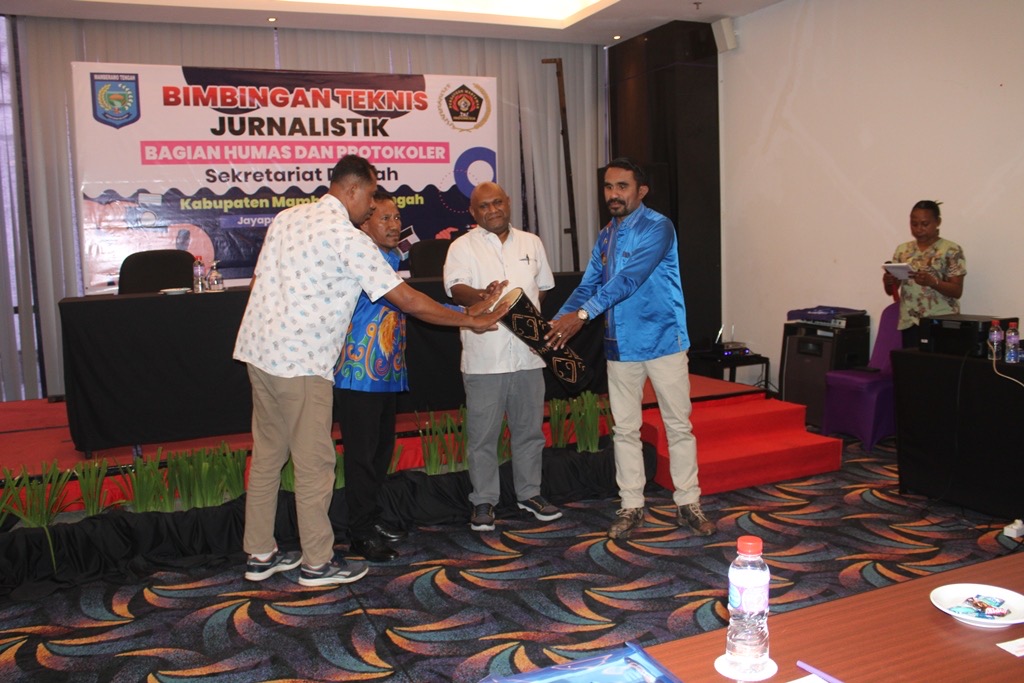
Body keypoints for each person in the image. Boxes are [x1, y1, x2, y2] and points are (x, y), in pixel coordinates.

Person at [234, 155, 507, 587]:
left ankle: (260, 553)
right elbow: (408, 300)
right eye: (371, 195)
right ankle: (317, 564)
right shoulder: (347, 237)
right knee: (315, 464)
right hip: (301, 362)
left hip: (258, 351)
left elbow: (258, 282)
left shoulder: (287, 218)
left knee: (268, 455)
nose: (371, 206)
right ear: (353, 190)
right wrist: (469, 320)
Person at [545, 157, 715, 540]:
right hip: (620, 345)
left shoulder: (659, 227)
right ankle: (632, 505)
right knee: (624, 430)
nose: (613, 194)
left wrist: (582, 316)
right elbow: (589, 285)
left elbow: (629, 279)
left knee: (678, 425)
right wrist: (554, 323)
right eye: (608, 187)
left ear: (641, 191)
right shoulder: (606, 235)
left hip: (663, 341)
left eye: (622, 186)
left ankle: (688, 501)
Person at [333, 190, 498, 562]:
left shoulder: (387, 258)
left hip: (384, 374)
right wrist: (468, 315)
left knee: (378, 456)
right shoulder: (362, 258)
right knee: (362, 458)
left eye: (397, 218)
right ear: (363, 223)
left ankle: (369, 521)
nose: (395, 225)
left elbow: (411, 303)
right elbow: (410, 303)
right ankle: (360, 534)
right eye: (385, 218)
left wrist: (471, 305)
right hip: (358, 374)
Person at [443, 181, 562, 531]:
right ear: (473, 212)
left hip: (528, 356)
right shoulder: (462, 246)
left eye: (497, 202)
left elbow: (542, 289)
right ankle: (483, 501)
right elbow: (456, 289)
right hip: (485, 357)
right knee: (483, 436)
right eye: (483, 206)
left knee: (529, 431)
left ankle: (530, 494)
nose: (492, 210)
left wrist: (531, 326)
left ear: (508, 202)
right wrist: (483, 295)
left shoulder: (531, 242)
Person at [882, 200, 966, 348]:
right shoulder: (903, 250)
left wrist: (933, 282)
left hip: (941, 322)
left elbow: (957, 291)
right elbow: (891, 291)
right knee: (912, 362)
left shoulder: (951, 250)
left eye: (924, 224)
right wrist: (889, 281)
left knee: (938, 363)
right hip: (910, 322)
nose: (919, 229)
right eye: (914, 224)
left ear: (937, 222)